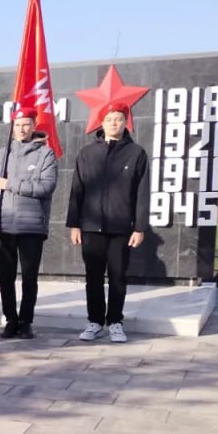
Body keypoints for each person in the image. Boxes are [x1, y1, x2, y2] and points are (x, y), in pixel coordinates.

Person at [65, 102, 150, 344]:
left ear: (126, 123)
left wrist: (139, 227)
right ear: (101, 123)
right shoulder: (87, 153)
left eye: (119, 119)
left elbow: (142, 193)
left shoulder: (136, 153)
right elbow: (77, 190)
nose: (114, 123)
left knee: (118, 276)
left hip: (121, 228)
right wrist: (75, 224)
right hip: (91, 227)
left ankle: (115, 322)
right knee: (93, 277)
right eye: (110, 119)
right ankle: (94, 321)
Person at [0, 106, 59, 340]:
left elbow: (46, 187)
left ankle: (26, 322)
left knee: (29, 277)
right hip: (4, 226)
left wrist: (10, 184)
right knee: (5, 278)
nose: (21, 129)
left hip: (31, 226)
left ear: (34, 126)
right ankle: (11, 320)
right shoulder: (2, 155)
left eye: (26, 124)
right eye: (17, 125)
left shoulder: (45, 154)